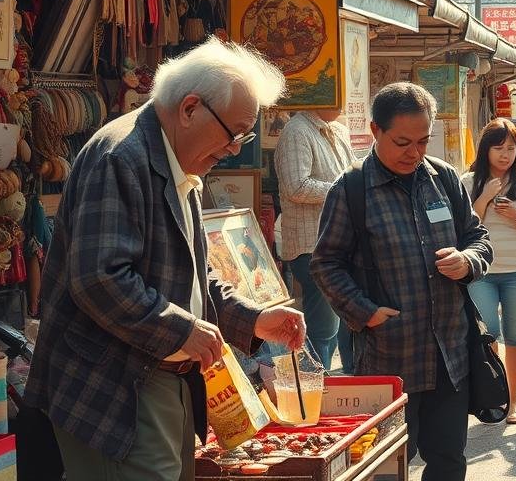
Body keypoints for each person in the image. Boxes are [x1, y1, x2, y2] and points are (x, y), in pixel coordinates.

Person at [26, 39, 307, 480]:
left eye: (244, 135)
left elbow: (193, 274)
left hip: (163, 378)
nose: (235, 148)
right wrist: (182, 328)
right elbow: (99, 278)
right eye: (233, 133)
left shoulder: (177, 158)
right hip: (116, 388)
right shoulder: (122, 158)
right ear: (190, 108)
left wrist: (251, 320)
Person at [311, 83, 493, 481]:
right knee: (385, 467)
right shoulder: (352, 189)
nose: (415, 152)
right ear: (376, 131)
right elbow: (326, 264)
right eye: (403, 142)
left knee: (448, 462)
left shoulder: (443, 178)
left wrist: (468, 261)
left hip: (450, 355)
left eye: (423, 141)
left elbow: (478, 237)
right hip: (389, 357)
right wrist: (366, 313)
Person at [462, 119, 516, 425]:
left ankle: (513, 400)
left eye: (511, 148)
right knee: (489, 334)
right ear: (486, 149)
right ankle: (493, 395)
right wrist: (483, 198)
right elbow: (462, 228)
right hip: (481, 270)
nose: (505, 154)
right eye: (498, 148)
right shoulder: (468, 180)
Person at [274, 108, 353, 371]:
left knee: (345, 322)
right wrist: (342, 189)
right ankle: (316, 386)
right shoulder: (296, 130)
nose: (342, 100)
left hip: (340, 243)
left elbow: (352, 173)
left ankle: (339, 382)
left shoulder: (339, 130)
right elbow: (296, 186)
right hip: (312, 245)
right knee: (324, 329)